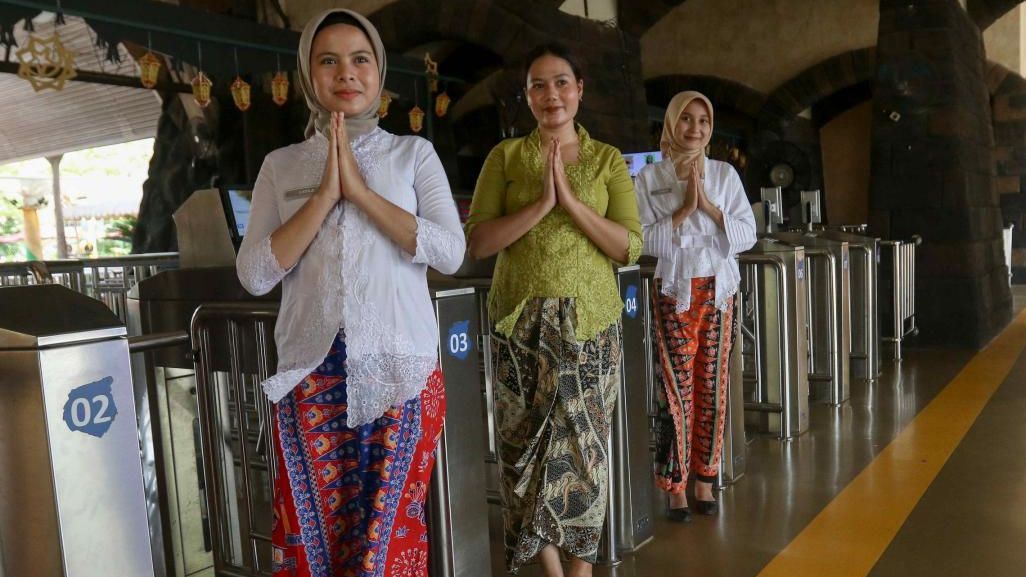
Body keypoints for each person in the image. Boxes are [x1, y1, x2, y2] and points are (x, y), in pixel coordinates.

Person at [235, 9, 465, 576]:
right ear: (309, 75)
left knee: (384, 548)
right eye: (329, 60)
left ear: (379, 73)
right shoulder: (281, 166)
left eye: (361, 59)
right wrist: (323, 197)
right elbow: (255, 273)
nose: (347, 72)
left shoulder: (414, 155)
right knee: (314, 551)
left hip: (400, 369)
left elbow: (450, 253)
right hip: (310, 372)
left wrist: (361, 194)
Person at [465, 43, 642, 577]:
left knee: (584, 454)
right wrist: (541, 203)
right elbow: (478, 241)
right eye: (538, 85)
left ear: (580, 89)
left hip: (590, 325)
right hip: (519, 325)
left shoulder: (607, 159)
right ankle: (550, 571)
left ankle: (581, 572)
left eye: (561, 82)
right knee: (522, 455)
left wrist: (570, 201)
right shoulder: (505, 158)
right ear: (526, 95)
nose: (551, 95)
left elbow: (628, 246)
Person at [634, 91, 756, 522]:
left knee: (713, 388)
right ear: (671, 123)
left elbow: (748, 233)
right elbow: (640, 240)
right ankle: (675, 485)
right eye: (686, 119)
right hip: (674, 292)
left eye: (703, 120)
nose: (695, 128)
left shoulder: (724, 174)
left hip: (719, 291)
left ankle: (706, 477)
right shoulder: (648, 178)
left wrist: (710, 208)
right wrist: (684, 211)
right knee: (676, 390)